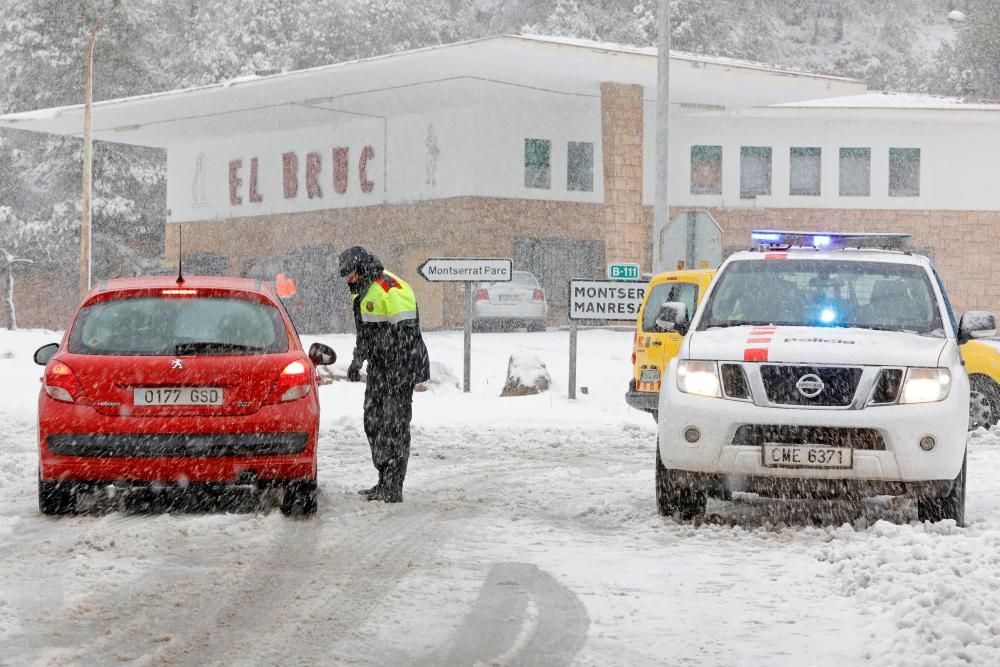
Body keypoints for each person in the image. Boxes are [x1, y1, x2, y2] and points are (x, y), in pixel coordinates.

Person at [339, 245, 430, 503]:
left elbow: (407, 335)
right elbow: (366, 333)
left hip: (400, 368)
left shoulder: (390, 288)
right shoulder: (362, 292)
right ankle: (383, 479)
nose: (347, 280)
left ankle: (393, 487)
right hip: (380, 368)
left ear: (359, 268)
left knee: (395, 427)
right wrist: (358, 361)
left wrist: (397, 368)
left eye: (349, 274)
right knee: (373, 423)